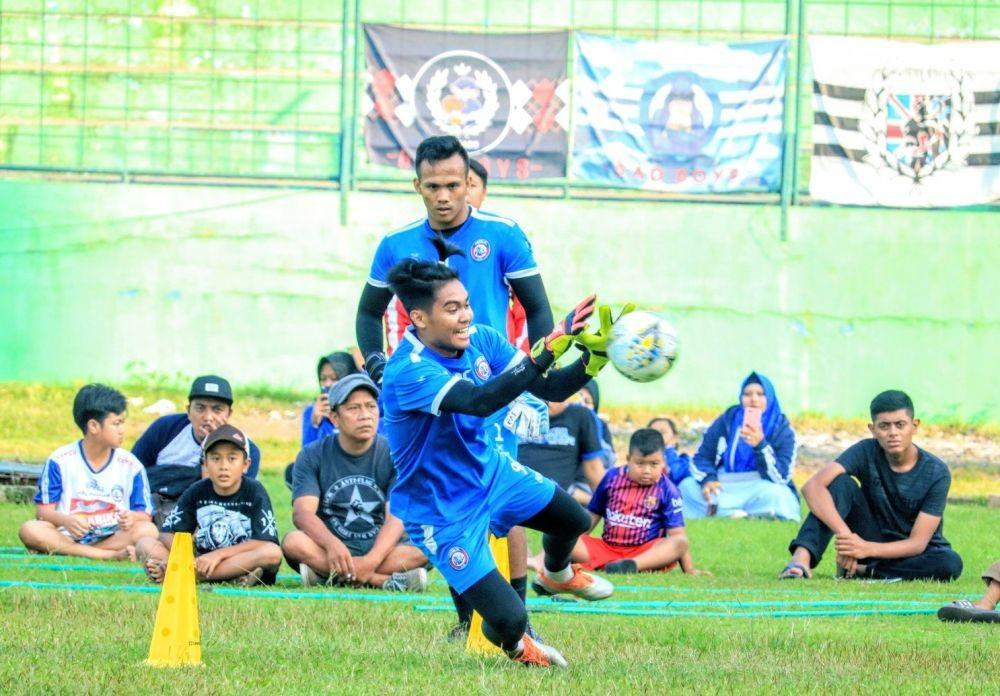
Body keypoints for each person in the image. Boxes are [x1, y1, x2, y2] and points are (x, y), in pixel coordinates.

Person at [380, 258, 626, 668]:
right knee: (510, 619)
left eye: (466, 303)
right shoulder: (407, 371)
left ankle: (556, 573)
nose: (466, 316)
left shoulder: (482, 339)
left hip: (490, 473)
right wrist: (544, 352)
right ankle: (516, 646)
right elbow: (479, 402)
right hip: (442, 511)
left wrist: (591, 361)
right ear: (419, 317)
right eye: (452, 308)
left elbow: (544, 386)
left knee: (574, 521)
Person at [356, 136, 555, 641]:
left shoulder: (503, 234)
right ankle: (468, 620)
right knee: (451, 504)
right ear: (417, 186)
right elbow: (367, 311)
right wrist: (379, 365)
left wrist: (530, 376)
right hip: (433, 399)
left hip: (494, 388)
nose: (444, 195)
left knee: (505, 505)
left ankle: (519, 619)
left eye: (454, 184)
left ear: (470, 183)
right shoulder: (396, 244)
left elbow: (538, 310)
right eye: (433, 186)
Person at [778, 390, 963, 582]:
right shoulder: (865, 451)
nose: (893, 433)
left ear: (914, 426)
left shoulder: (936, 472)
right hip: (869, 536)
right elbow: (812, 487)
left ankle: (863, 570)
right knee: (839, 483)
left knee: (950, 563)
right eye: (884, 426)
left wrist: (865, 549)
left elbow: (917, 543)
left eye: (900, 425)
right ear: (872, 429)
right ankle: (801, 560)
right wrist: (847, 538)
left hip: (910, 554)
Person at [282, 373, 429, 592]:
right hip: (333, 550)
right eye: (353, 409)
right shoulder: (312, 455)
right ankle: (382, 581)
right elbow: (302, 513)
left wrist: (370, 561)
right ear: (334, 418)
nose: (365, 415)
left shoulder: (396, 454)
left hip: (386, 550)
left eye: (371, 407)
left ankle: (327, 577)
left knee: (426, 546)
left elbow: (396, 517)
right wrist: (333, 545)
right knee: (293, 542)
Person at [19, 384, 158, 560]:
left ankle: (73, 551)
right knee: (30, 529)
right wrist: (66, 521)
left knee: (148, 530)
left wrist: (132, 517)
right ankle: (108, 555)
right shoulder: (60, 460)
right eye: (116, 423)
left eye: (122, 423)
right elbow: (43, 512)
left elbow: (145, 515)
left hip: (113, 536)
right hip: (67, 534)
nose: (122, 430)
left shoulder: (131, 465)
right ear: (93, 426)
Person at [137, 424, 282, 586]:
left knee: (272, 553)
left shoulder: (254, 491)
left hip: (236, 559)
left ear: (246, 464)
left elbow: (264, 542)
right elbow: (167, 533)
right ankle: (206, 574)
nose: (223, 466)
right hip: (200, 560)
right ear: (205, 463)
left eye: (232, 458)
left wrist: (217, 555)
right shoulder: (197, 490)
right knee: (146, 544)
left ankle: (184, 575)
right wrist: (188, 559)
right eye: (215, 458)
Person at [559, 429, 709, 576]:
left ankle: (632, 566)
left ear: (663, 461)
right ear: (628, 459)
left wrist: (689, 570)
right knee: (562, 537)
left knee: (679, 542)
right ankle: (611, 564)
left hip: (645, 553)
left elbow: (677, 533)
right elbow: (593, 514)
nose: (647, 470)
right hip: (607, 548)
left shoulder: (668, 490)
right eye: (640, 463)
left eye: (654, 464)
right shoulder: (611, 478)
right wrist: (573, 542)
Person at [133, 375, 262, 528]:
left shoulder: (246, 448)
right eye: (200, 408)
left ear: (229, 414)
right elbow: (133, 472)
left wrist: (208, 449)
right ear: (188, 410)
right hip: (157, 508)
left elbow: (235, 499)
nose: (208, 417)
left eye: (217, 409)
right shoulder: (165, 429)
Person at [679, 372, 800, 521]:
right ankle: (740, 515)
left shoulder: (781, 428)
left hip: (760, 486)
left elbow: (782, 477)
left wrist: (760, 445)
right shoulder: (727, 420)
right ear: (741, 398)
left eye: (760, 394)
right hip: (726, 484)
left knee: (780, 496)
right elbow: (702, 457)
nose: (753, 399)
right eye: (747, 394)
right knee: (687, 487)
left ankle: (721, 513)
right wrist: (708, 479)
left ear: (770, 397)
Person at [518, 398, 605, 504]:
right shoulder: (516, 413)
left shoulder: (580, 416)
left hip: (558, 499)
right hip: (518, 493)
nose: (546, 400)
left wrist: (606, 505)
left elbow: (593, 467)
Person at [302, 351, 359, 448]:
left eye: (334, 378)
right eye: (323, 379)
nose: (327, 384)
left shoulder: (361, 410)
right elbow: (305, 456)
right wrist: (315, 424)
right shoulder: (312, 412)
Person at [577, 380, 615, 469]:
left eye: (587, 402)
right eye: (578, 401)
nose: (582, 406)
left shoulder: (600, 425)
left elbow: (609, 461)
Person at [648, 416, 692, 484]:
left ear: (675, 437)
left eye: (662, 432)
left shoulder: (683, 459)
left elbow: (678, 475)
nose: (657, 436)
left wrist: (669, 450)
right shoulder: (640, 460)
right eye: (652, 433)